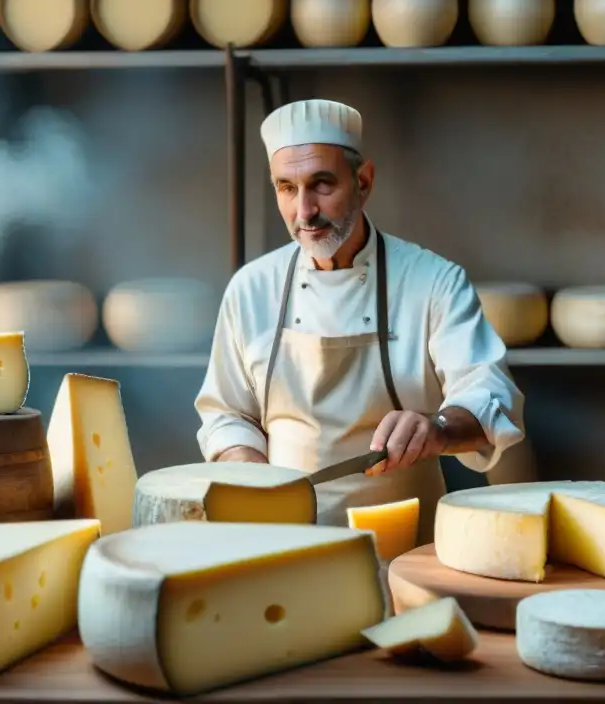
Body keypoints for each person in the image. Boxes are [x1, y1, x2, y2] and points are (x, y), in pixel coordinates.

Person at [195, 98, 527, 543]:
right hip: (279, 538)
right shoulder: (251, 288)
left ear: (363, 181)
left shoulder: (433, 281)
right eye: (287, 188)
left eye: (321, 185)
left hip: (405, 542)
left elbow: (490, 392)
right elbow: (225, 411)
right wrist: (244, 462)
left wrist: (440, 429)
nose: (304, 211)